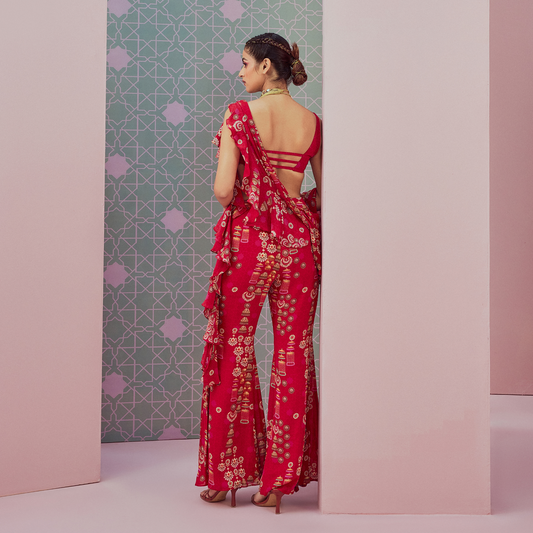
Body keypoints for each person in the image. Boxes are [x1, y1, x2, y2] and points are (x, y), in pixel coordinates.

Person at [195, 32, 322, 514]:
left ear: (268, 67)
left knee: (234, 347)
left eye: (246, 63)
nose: (241, 71)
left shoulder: (239, 115)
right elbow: (326, 194)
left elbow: (223, 191)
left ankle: (225, 477)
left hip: (251, 243)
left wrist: (240, 170)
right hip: (299, 246)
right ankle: (277, 484)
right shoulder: (313, 123)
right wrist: (292, 206)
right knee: (293, 352)